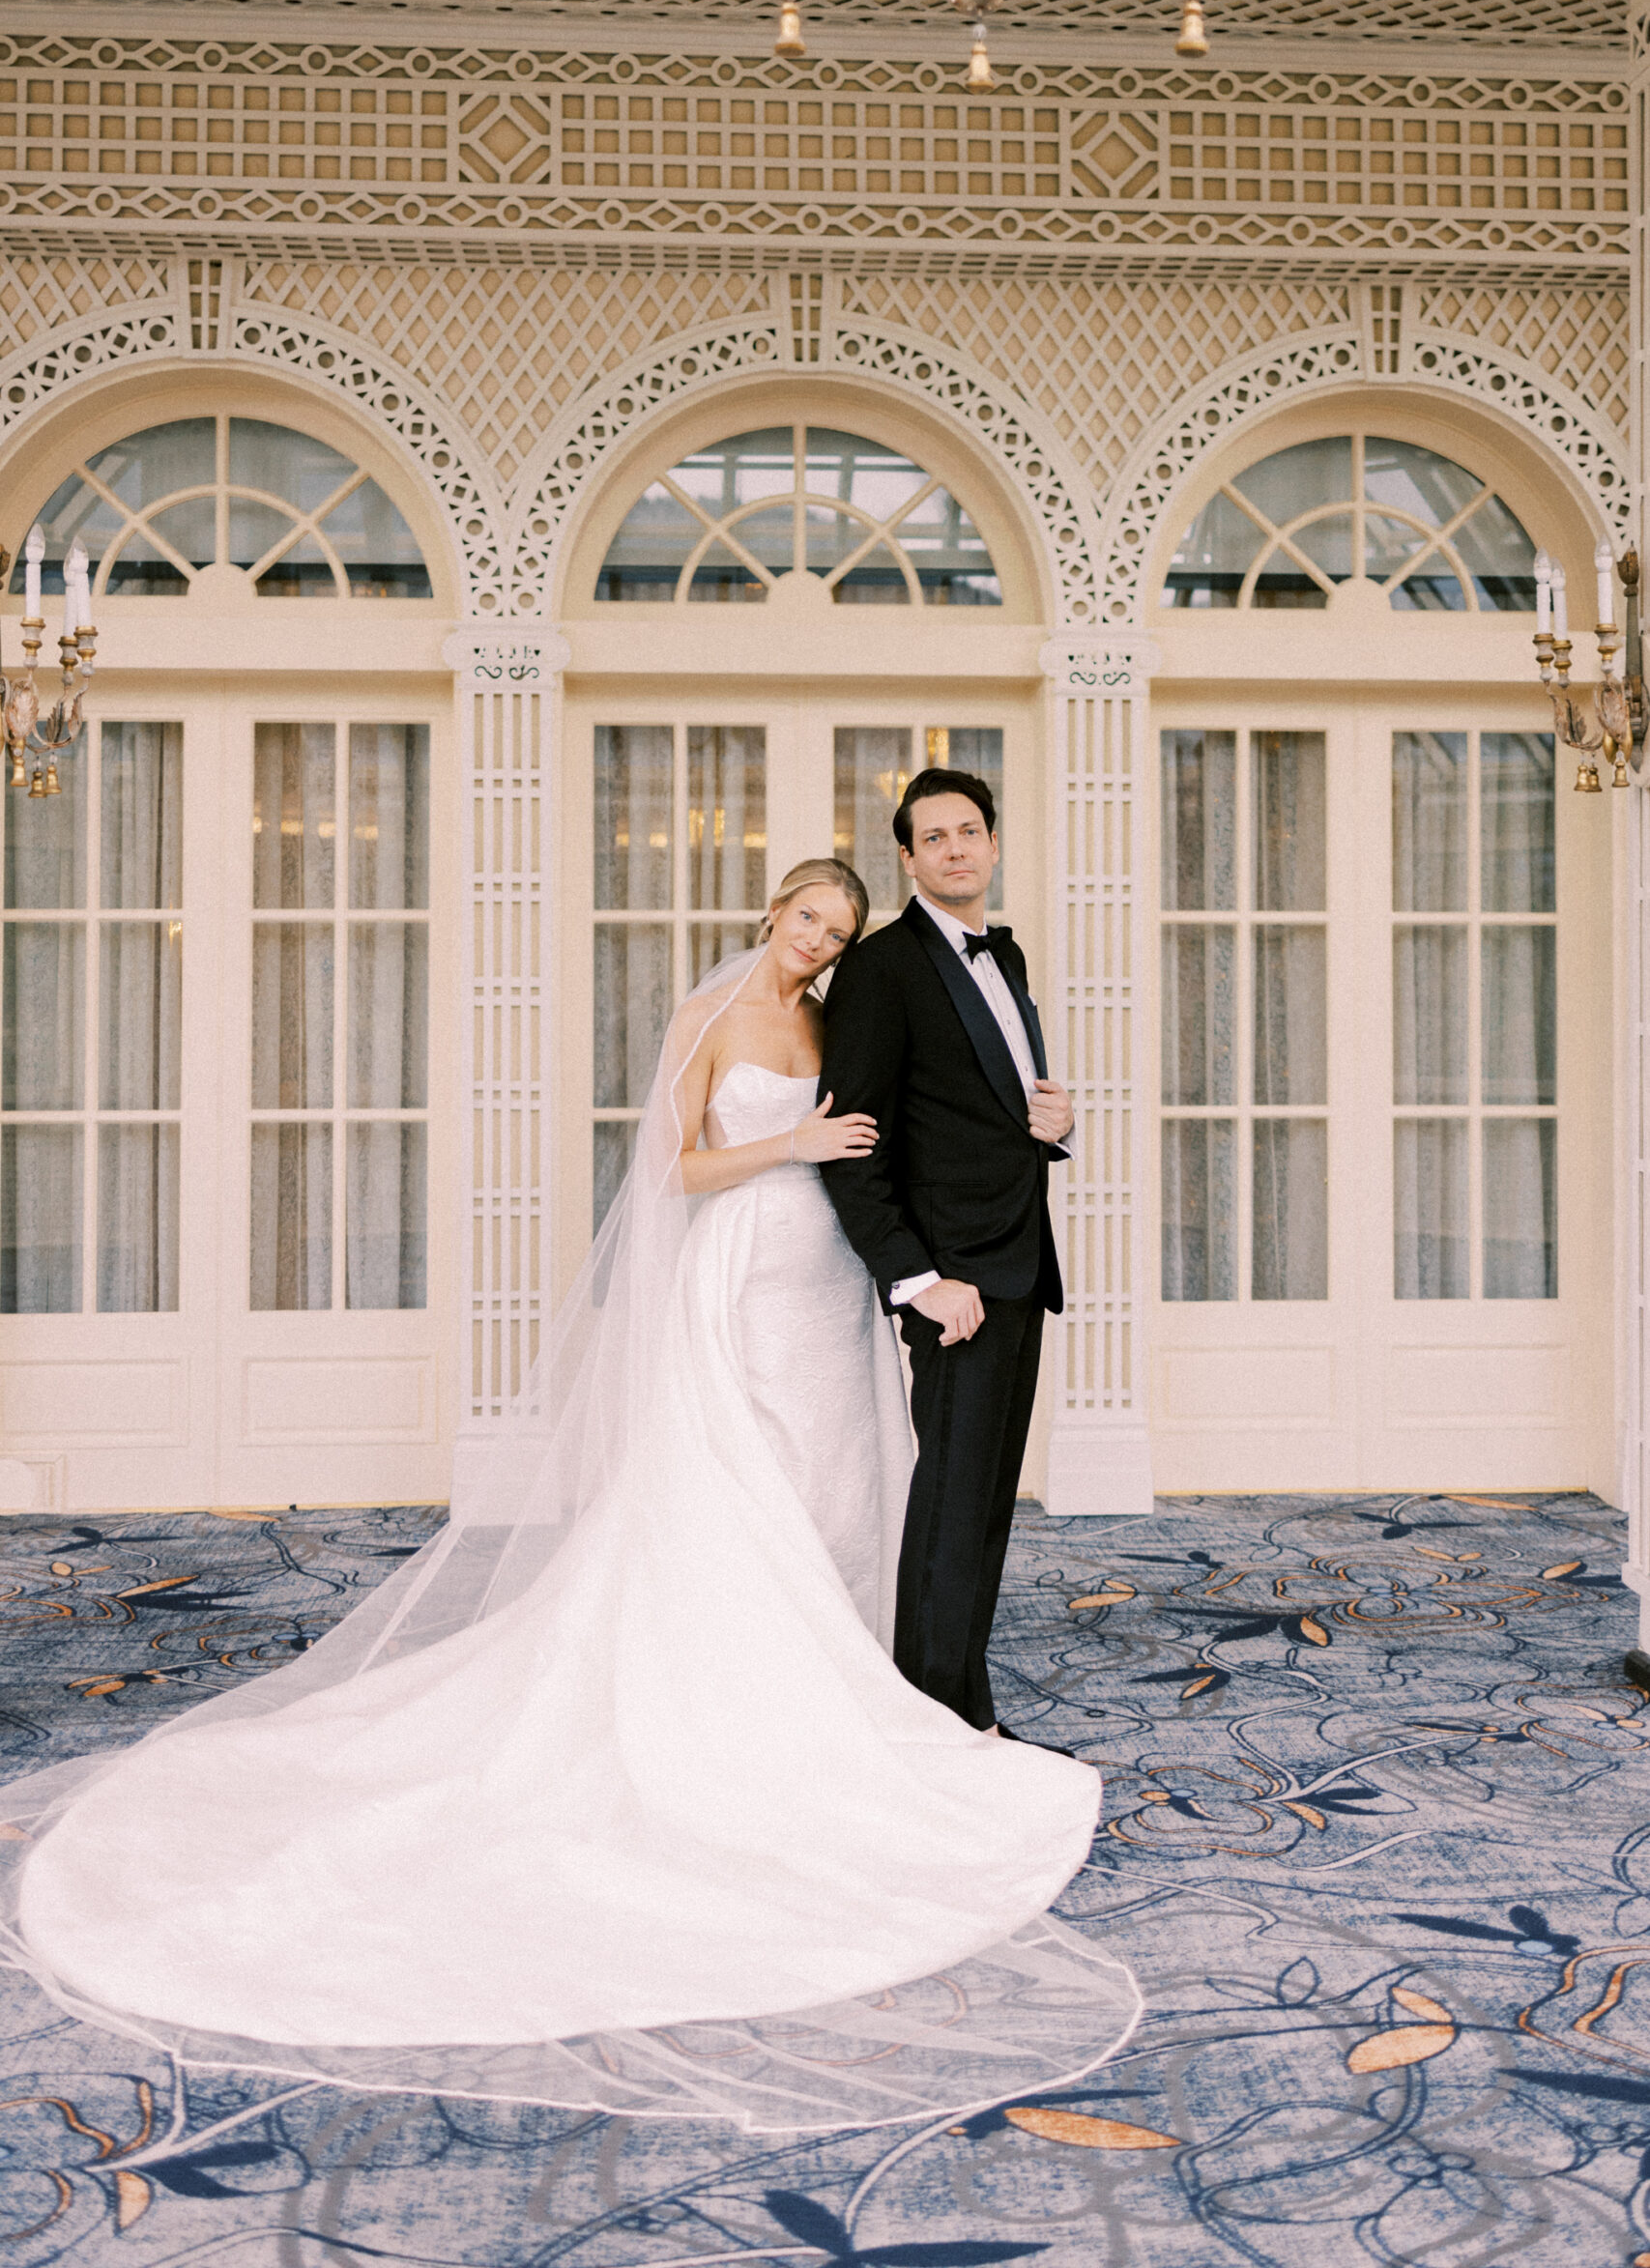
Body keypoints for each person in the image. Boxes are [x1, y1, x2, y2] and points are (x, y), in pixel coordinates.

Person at [0, 859, 1136, 2131]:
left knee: (837, 1488)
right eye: (807, 919)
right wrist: (791, 1139)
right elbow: (672, 1175)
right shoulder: (708, 1019)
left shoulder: (829, 1021)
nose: (817, 944)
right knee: (737, 1496)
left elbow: (888, 1135)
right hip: (741, 1276)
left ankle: (836, 1695)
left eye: (837, 932)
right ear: (770, 909)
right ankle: (730, 1719)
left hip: (824, 1282)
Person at [820, 770, 1077, 1742]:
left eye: (969, 831)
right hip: (956, 1285)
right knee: (949, 1510)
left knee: (985, 1510)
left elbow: (983, 1114)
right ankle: (929, 1727)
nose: (956, 848)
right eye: (935, 837)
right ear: (910, 857)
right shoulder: (884, 970)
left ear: (994, 844)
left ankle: (965, 1711)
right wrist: (920, 1280)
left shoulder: (1002, 959)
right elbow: (854, 1142)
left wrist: (1052, 1124)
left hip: (1017, 1263)